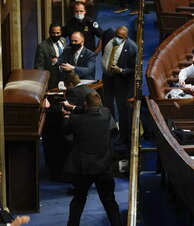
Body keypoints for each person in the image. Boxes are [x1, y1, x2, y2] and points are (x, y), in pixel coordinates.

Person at [62, 92, 122, 226]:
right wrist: (72, 107)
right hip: (103, 168)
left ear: (84, 104)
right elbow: (89, 110)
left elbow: (65, 130)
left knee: (78, 200)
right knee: (109, 201)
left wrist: (66, 114)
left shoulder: (75, 120)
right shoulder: (106, 114)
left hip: (82, 169)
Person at [101, 26, 137, 146]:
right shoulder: (108, 37)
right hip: (107, 78)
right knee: (107, 104)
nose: (117, 38)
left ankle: (123, 135)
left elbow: (134, 69)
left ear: (125, 37)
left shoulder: (131, 48)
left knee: (122, 109)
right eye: (116, 35)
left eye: (120, 37)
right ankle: (111, 130)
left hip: (121, 82)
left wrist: (121, 70)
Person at [34, 23, 67, 89]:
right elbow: (39, 67)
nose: (55, 35)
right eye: (53, 33)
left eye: (58, 33)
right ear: (49, 32)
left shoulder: (63, 41)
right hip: (52, 79)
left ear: (61, 32)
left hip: (65, 78)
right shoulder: (42, 46)